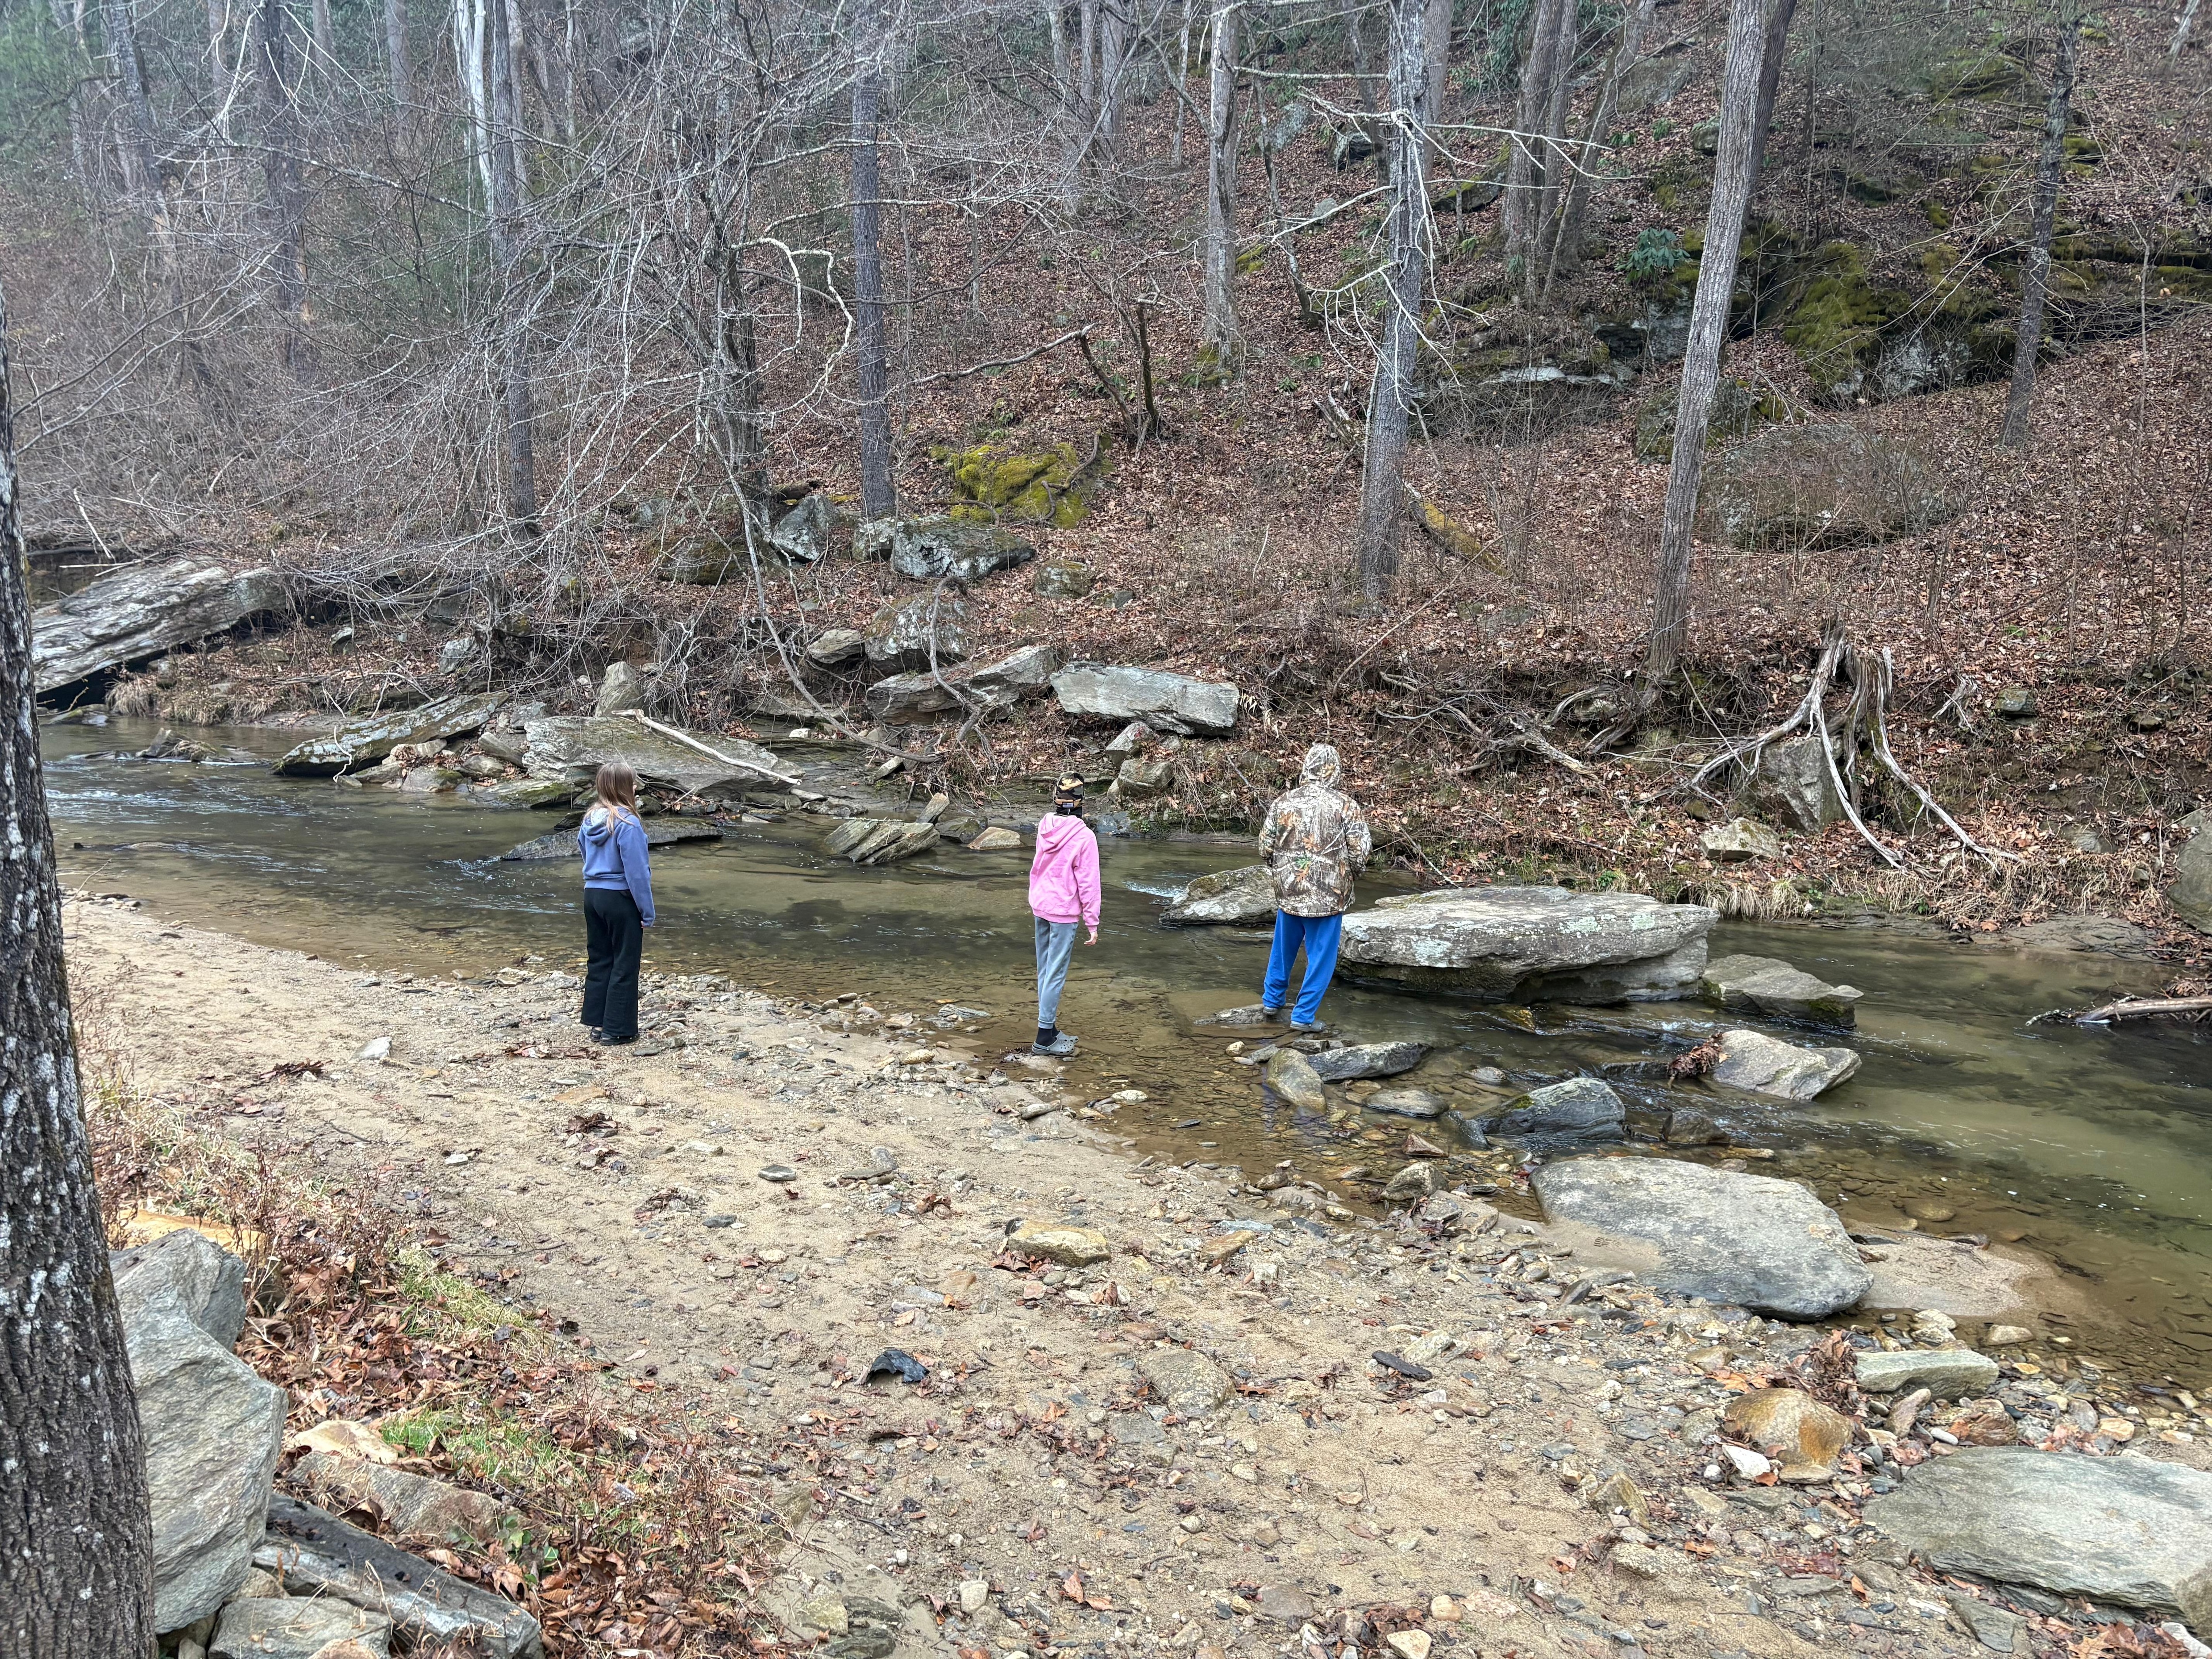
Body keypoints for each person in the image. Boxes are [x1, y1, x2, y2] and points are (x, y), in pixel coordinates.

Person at [1258, 742, 1371, 1031]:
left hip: (1290, 891)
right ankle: (1303, 1017)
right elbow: (1361, 852)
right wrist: (1350, 875)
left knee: (1283, 949)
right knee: (1321, 957)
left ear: (1307, 768)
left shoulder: (1283, 802)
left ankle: (1272, 1001)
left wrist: (1282, 873)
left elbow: (1264, 847)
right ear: (1335, 771)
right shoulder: (1346, 806)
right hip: (1328, 895)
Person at [579, 761, 655, 1047]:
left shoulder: (589, 820)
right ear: (624, 789)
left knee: (600, 959)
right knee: (625, 961)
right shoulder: (628, 824)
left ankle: (598, 1023)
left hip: (592, 895)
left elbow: (584, 853)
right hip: (620, 898)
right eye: (633, 784)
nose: (636, 787)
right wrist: (647, 913)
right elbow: (638, 874)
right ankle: (618, 1029)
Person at [1029, 774, 1101, 1056]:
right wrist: (1092, 922)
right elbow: (1089, 882)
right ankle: (1045, 1037)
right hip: (1062, 912)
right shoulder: (1084, 836)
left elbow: (1040, 865)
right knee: (1055, 973)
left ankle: (1049, 1029)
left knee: (1045, 971)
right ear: (1081, 803)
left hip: (1041, 905)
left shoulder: (1045, 825)